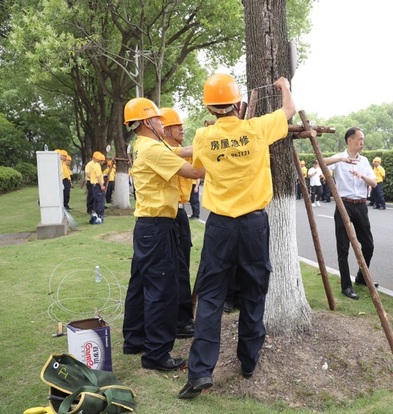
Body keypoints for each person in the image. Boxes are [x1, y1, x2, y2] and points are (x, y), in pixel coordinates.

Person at [179, 74, 295, 399]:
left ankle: (200, 371)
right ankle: (248, 360)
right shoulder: (256, 129)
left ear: (210, 108)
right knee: (254, 290)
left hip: (219, 226)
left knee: (212, 295)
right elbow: (289, 110)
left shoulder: (203, 136)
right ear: (237, 103)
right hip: (254, 224)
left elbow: (199, 169)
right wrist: (284, 85)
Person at [122, 97, 204, 373]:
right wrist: (216, 151)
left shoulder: (144, 146)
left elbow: (179, 152)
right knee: (161, 289)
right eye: (159, 120)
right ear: (147, 122)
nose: (163, 124)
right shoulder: (154, 149)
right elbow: (195, 170)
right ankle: (156, 353)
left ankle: (134, 339)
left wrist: (205, 143)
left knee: (140, 284)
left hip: (146, 225)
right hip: (158, 226)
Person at [324, 127, 377, 301]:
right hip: (343, 204)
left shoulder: (365, 161)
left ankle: (362, 277)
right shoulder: (339, 158)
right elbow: (320, 162)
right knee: (343, 247)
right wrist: (341, 159)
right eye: (359, 139)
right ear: (350, 140)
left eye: (363, 139)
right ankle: (346, 286)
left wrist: (362, 175)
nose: (362, 142)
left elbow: (374, 183)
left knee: (368, 244)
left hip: (360, 205)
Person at [160, 107, 196, 339]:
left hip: (180, 213)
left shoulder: (176, 150)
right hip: (170, 214)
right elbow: (184, 152)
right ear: (165, 129)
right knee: (177, 269)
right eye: (177, 126)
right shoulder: (164, 151)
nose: (182, 129)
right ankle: (180, 321)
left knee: (182, 266)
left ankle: (181, 318)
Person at [89, 151, 106, 224]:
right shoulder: (98, 167)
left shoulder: (94, 166)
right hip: (97, 185)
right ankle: (99, 215)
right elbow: (98, 177)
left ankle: (95, 215)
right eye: (102, 161)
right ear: (100, 161)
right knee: (100, 201)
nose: (103, 162)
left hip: (94, 185)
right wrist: (102, 185)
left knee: (96, 201)